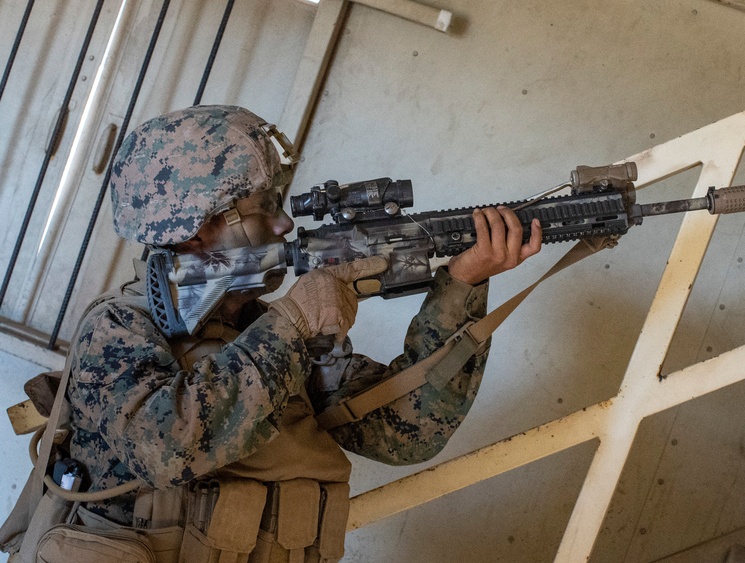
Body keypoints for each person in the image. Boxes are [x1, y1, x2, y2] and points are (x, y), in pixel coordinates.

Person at [33, 105, 541, 561]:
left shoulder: (259, 330)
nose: (283, 226)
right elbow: (165, 445)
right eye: (264, 207)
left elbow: (406, 433)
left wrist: (462, 284)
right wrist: (292, 324)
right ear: (194, 231)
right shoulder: (118, 327)